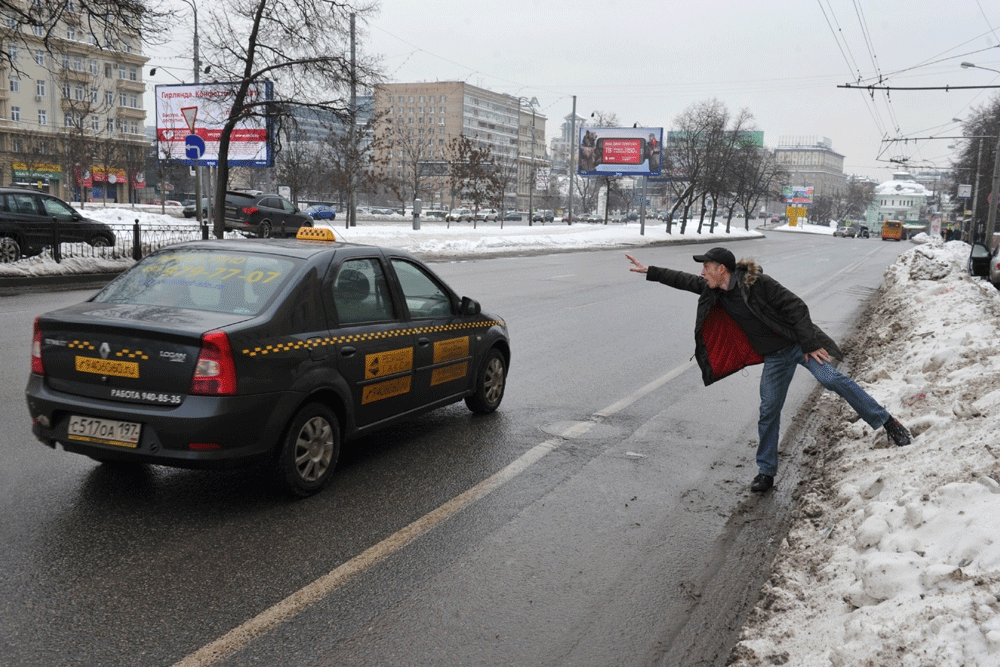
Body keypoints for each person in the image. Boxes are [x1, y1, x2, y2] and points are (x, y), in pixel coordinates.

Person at [626, 247, 911, 494]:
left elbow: (797, 307)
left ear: (721, 269)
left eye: (706, 267)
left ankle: (887, 422)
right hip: (775, 357)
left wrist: (809, 343)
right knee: (769, 409)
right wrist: (649, 270)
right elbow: (683, 280)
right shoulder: (715, 290)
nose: (702, 272)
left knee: (832, 379)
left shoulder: (756, 283)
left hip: (798, 345)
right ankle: (766, 472)